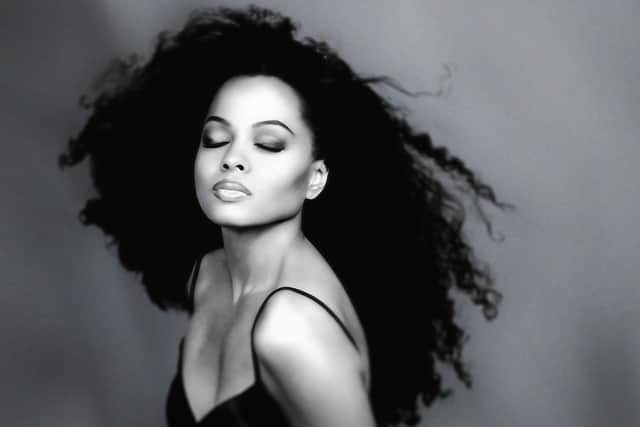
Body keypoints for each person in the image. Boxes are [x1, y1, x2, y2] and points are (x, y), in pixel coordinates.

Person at [58, 5, 511, 427]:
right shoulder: (210, 275)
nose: (233, 159)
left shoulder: (291, 329)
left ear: (315, 179)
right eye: (215, 139)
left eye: (268, 144)